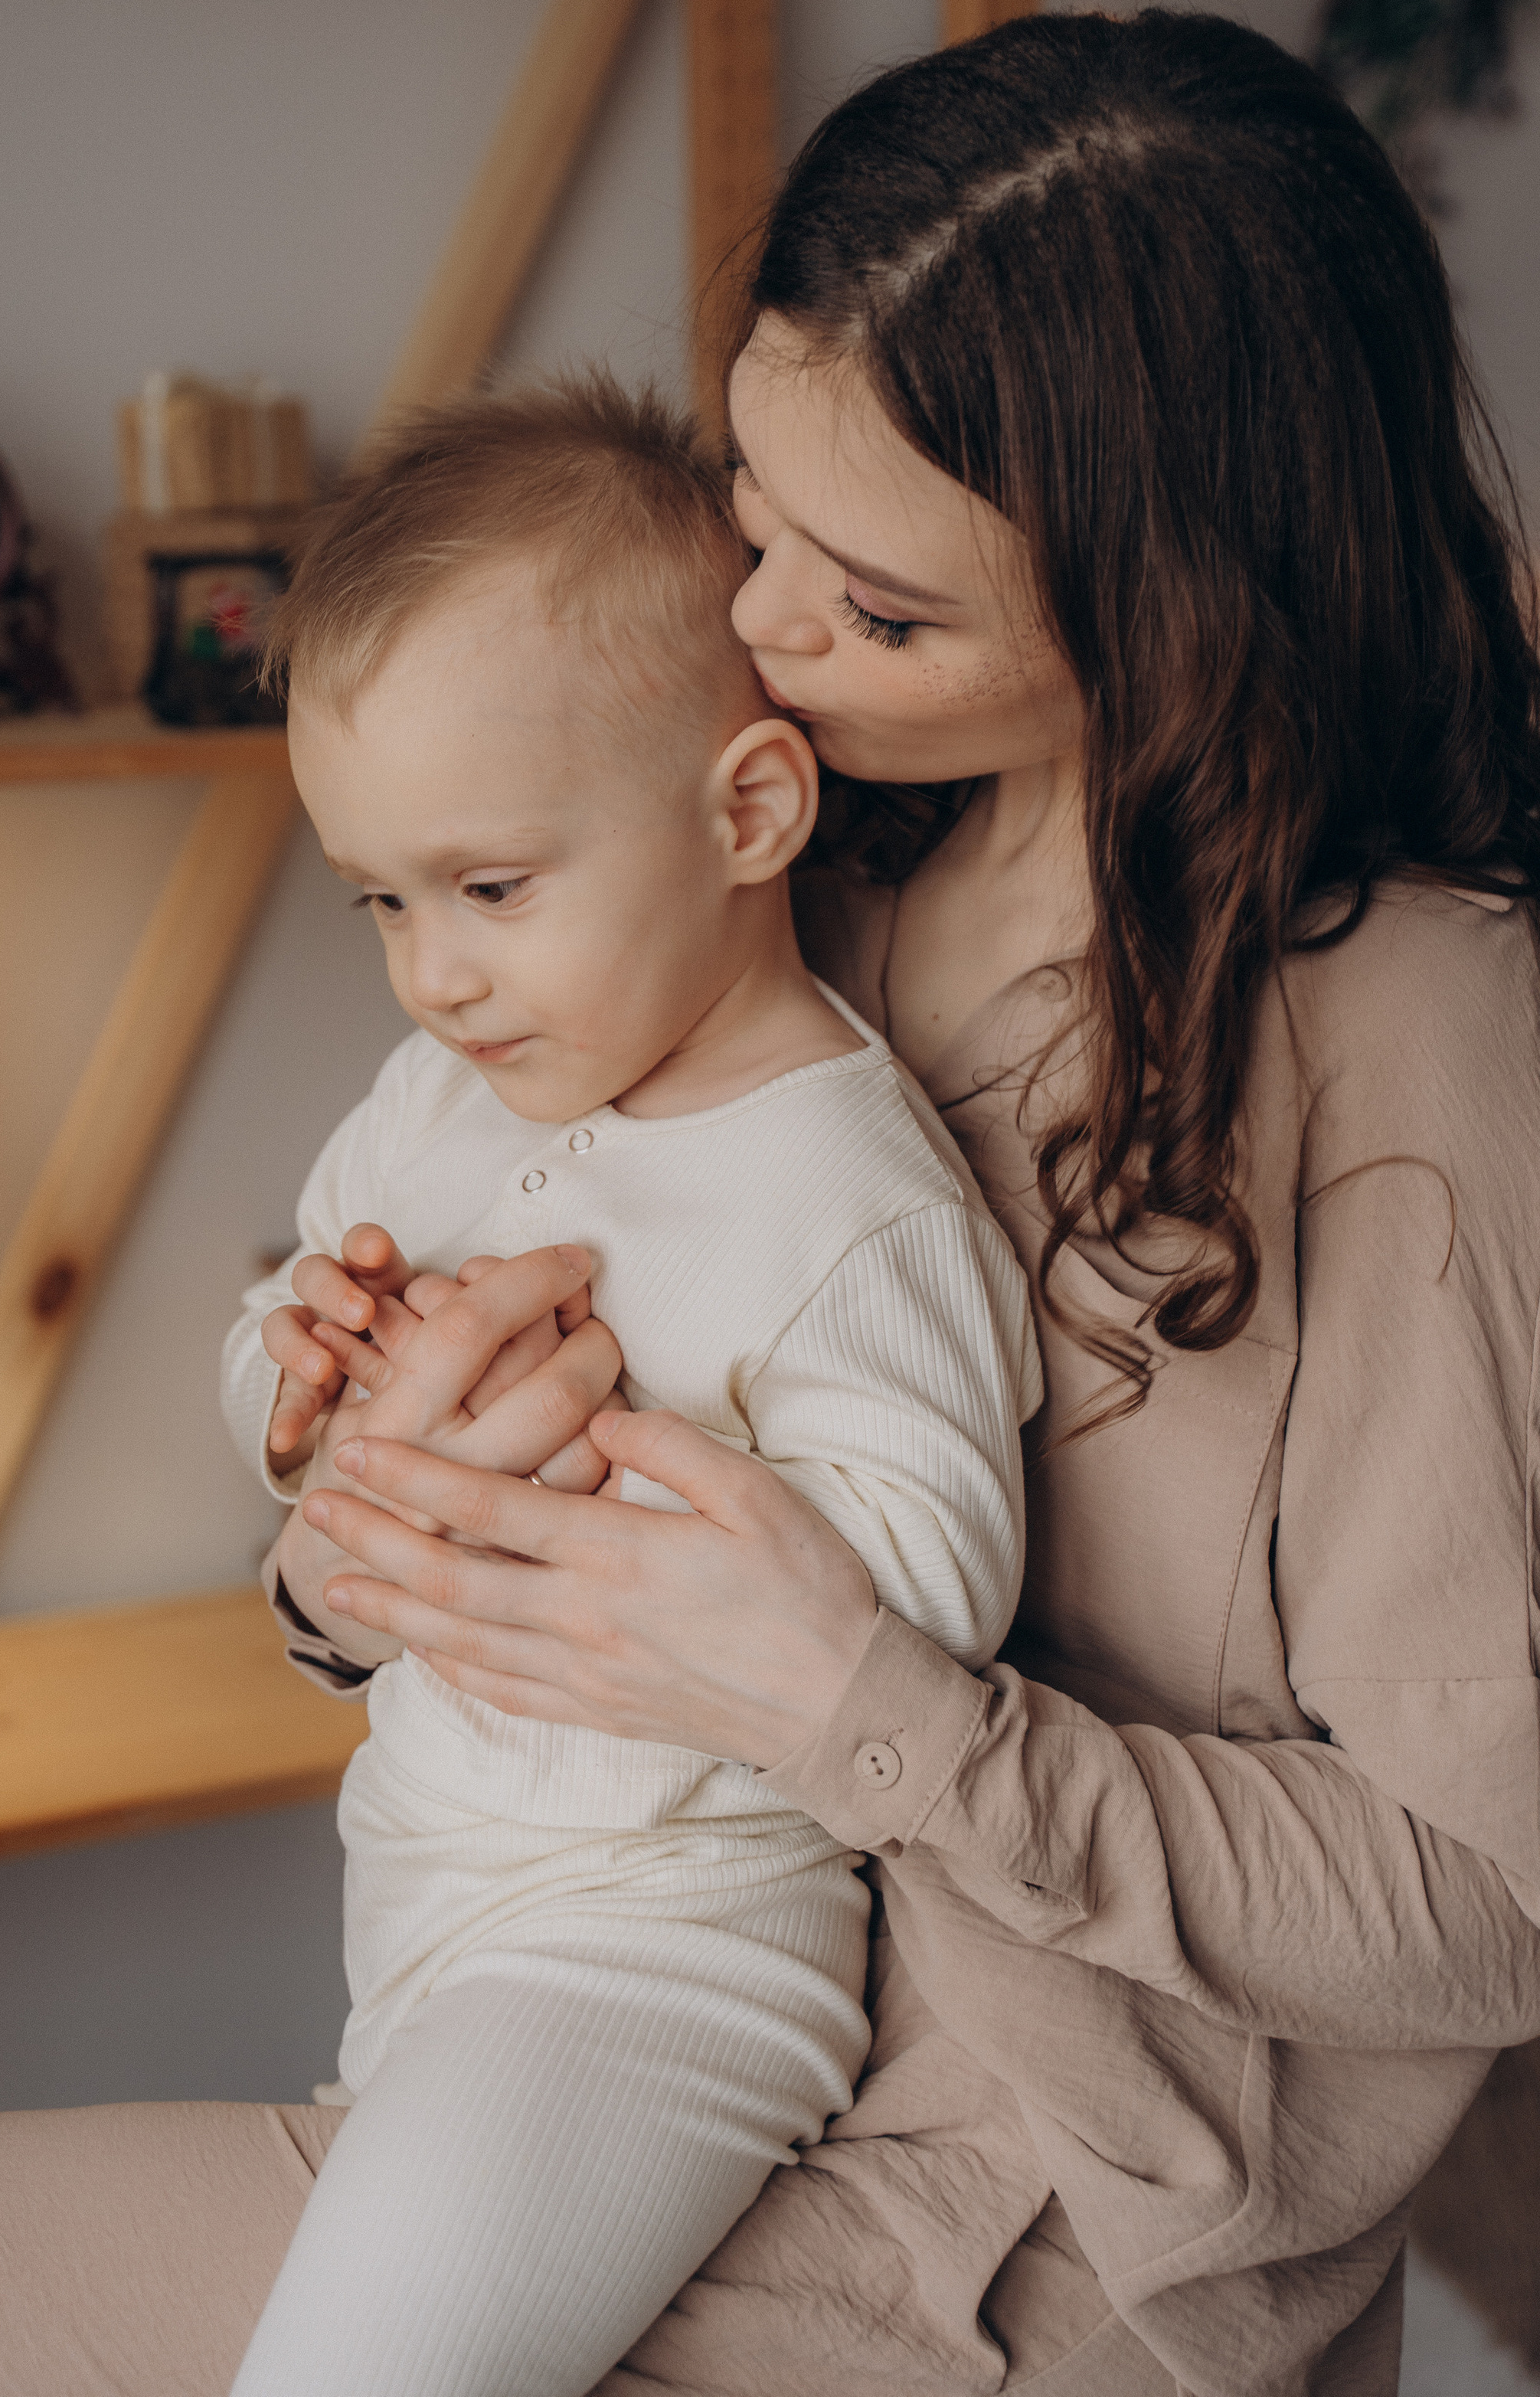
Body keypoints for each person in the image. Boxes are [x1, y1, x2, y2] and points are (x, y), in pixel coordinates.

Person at [0, 7, 1540, 2396]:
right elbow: (495, 1360)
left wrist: (870, 1707)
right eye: (764, 528)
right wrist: (363, 1539)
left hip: (1024, 2243)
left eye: (878, 613)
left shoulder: (1410, 1034)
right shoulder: (812, 862)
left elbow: (1489, 1915)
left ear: (1177, 594)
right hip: (585, 2007)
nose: (758, 642)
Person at [219, 380, 1038, 2397]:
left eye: (490, 889)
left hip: (667, 1940)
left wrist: (585, 1475)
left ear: (748, 812)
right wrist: (303, 1378)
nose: (432, 974)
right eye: (383, 900)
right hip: (415, 1884)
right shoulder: (441, 1091)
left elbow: (936, 1583)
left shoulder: (847, 1186)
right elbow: (280, 1339)